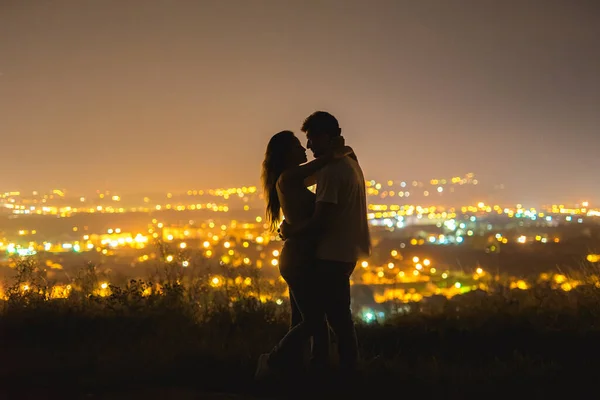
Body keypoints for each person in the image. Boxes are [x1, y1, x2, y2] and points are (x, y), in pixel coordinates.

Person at [255, 130, 354, 379]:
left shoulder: (291, 178)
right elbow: (324, 163)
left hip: (301, 258)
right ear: (287, 153)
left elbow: (321, 172)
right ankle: (271, 360)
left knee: (306, 319)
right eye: (298, 146)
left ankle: (302, 371)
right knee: (313, 321)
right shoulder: (289, 177)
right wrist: (341, 150)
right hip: (297, 259)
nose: (305, 149)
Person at [279, 111, 371, 376]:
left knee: (327, 321)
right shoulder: (350, 163)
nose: (308, 146)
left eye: (311, 139)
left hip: (331, 255)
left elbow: (322, 221)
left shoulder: (332, 172)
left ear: (327, 137)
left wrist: (291, 230)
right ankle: (335, 373)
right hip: (344, 253)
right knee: (336, 319)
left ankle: (334, 374)